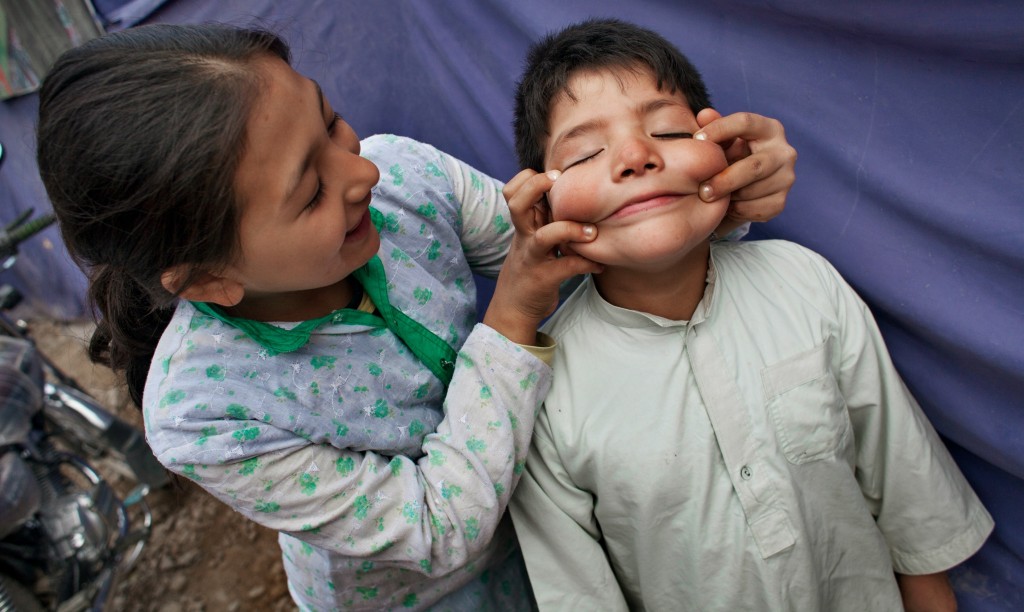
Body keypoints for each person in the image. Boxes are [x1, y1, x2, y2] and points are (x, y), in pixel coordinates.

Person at [34, 23, 796, 611]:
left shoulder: (403, 178)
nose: (361, 170)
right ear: (208, 278)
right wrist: (513, 316)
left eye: (332, 125)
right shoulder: (202, 415)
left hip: (555, 529)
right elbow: (437, 529)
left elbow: (581, 242)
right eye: (309, 193)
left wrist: (710, 195)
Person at [506, 18, 994, 612]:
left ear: (723, 149)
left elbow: (911, 505)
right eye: (585, 152)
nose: (636, 156)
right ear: (539, 200)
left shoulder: (805, 282)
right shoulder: (540, 390)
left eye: (666, 129)